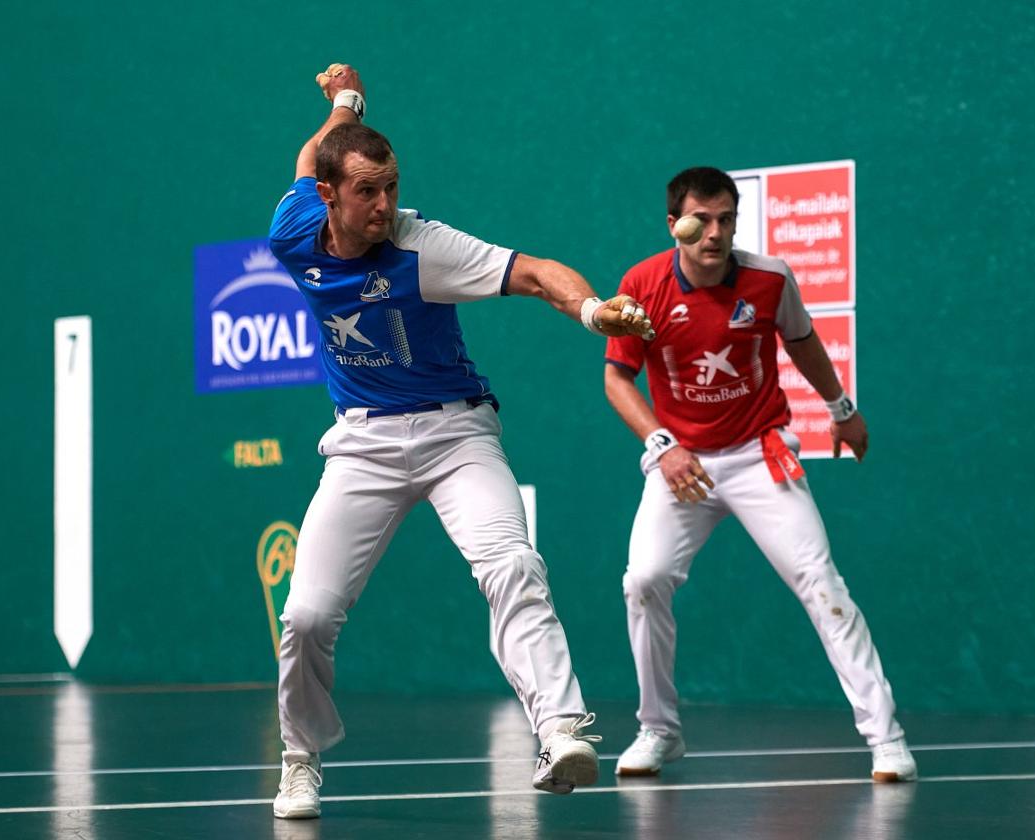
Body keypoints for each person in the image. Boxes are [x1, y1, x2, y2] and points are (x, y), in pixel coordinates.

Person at [266, 63, 655, 820]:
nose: (385, 204)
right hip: (362, 445)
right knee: (307, 616)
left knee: (511, 561)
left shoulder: (422, 246)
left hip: (456, 433)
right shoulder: (293, 230)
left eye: (392, 186)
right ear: (328, 198)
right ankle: (300, 757)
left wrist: (593, 312)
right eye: (367, 191)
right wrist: (345, 104)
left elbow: (537, 273)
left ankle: (561, 728)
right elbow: (309, 156)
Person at [603, 166, 917, 782]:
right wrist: (662, 445)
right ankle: (659, 730)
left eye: (726, 219)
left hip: (759, 453)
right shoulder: (641, 285)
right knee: (644, 580)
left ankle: (887, 741)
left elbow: (801, 341)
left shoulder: (770, 279)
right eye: (701, 220)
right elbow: (617, 378)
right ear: (675, 225)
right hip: (682, 465)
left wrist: (841, 409)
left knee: (822, 584)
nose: (714, 233)